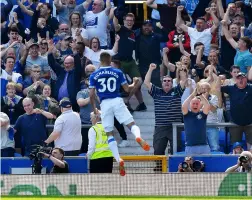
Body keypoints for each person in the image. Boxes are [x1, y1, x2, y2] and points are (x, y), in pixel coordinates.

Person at [89, 52, 150, 176]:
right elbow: (127, 89)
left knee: (109, 133)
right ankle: (138, 137)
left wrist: (95, 108)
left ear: (100, 60)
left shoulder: (94, 75)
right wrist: (134, 82)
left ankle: (118, 159)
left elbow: (91, 95)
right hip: (117, 100)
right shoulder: (117, 72)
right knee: (131, 123)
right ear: (110, 59)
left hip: (105, 103)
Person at [144, 63, 186, 157]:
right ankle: (159, 169)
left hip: (175, 127)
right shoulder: (156, 92)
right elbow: (146, 82)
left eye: (169, 81)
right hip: (160, 127)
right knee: (158, 150)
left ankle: (175, 169)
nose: (167, 82)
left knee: (176, 151)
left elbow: (183, 80)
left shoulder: (177, 91)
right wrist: (150, 69)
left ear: (172, 83)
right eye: (165, 81)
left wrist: (180, 69)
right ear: (161, 83)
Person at [218, 72, 252, 151]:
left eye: (242, 78)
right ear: (235, 80)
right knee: (236, 147)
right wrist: (219, 78)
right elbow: (217, 88)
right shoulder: (231, 88)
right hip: (235, 123)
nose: (240, 80)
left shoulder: (251, 88)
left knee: (251, 147)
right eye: (238, 78)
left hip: (250, 123)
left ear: (246, 79)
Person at [182, 84, 211, 155]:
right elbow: (184, 106)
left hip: (204, 146)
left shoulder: (203, 114)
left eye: (197, 104)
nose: (195, 105)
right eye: (193, 103)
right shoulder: (187, 114)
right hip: (190, 146)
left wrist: (200, 95)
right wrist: (193, 95)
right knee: (190, 165)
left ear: (200, 105)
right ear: (190, 104)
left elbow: (207, 106)